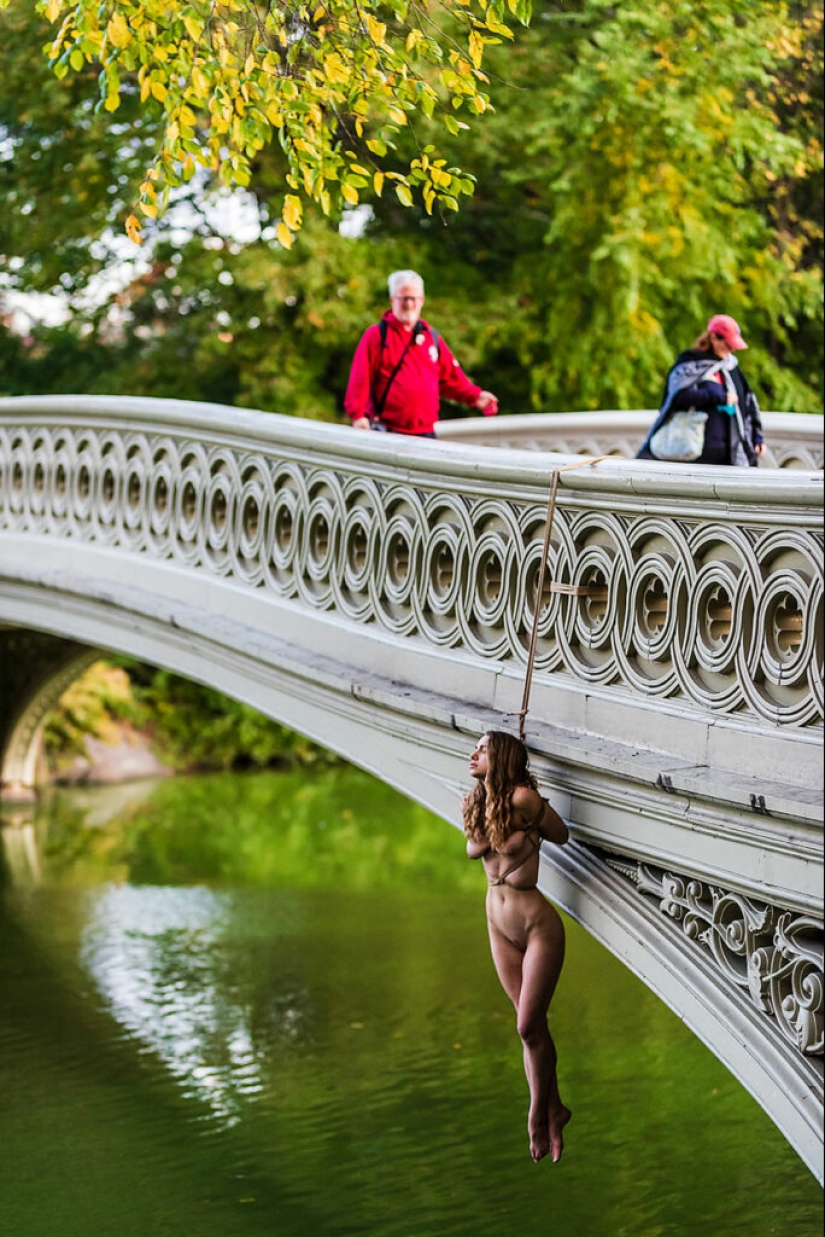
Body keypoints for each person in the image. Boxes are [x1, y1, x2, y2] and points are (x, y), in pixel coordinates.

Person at [462, 730, 571, 1163]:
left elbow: (560, 834)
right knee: (531, 1031)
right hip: (497, 926)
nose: (473, 753)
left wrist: (527, 818)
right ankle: (555, 1110)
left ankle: (535, 1115)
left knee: (528, 1026)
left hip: (537, 927)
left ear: (502, 755)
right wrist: (493, 810)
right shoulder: (473, 802)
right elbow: (475, 846)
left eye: (483, 748)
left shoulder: (524, 799)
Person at [344, 270, 499, 436]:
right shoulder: (377, 335)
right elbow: (360, 379)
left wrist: (476, 396)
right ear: (392, 300)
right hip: (388, 430)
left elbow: (451, 379)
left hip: (426, 432)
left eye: (413, 298)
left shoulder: (431, 337)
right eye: (403, 298)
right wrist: (358, 415)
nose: (409, 304)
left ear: (422, 300)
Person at [637, 314, 766, 466]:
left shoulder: (731, 368)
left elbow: (749, 403)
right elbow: (679, 395)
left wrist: (757, 438)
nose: (732, 350)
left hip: (728, 453)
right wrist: (720, 396)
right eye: (728, 344)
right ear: (713, 338)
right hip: (695, 450)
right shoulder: (690, 363)